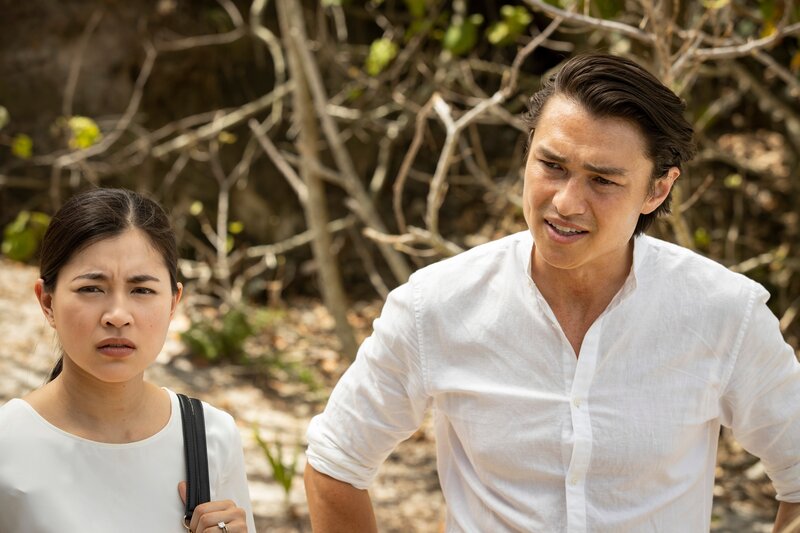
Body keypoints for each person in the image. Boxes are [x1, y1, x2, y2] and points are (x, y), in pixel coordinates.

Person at [303, 54, 800, 532]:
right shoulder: (434, 305)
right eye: (553, 166)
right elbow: (335, 460)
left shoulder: (725, 314)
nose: (565, 202)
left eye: (602, 180)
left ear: (657, 190)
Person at [0, 188, 256, 533]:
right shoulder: (8, 443)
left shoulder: (211, 437)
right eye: (91, 288)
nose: (118, 315)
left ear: (173, 303)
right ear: (47, 302)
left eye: (142, 290)